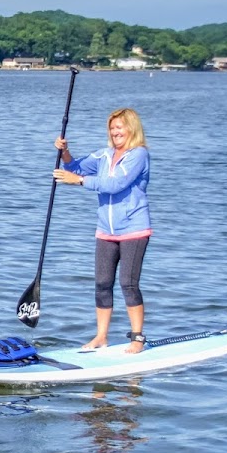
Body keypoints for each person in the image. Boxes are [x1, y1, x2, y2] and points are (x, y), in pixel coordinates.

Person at [51, 108, 151, 354]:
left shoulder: (138, 155)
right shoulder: (104, 155)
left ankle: (137, 338)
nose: (116, 132)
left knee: (128, 283)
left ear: (131, 129)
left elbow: (116, 185)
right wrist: (64, 152)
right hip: (105, 230)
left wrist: (81, 181)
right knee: (102, 284)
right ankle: (101, 337)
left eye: (120, 127)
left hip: (133, 229)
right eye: (112, 128)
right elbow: (75, 168)